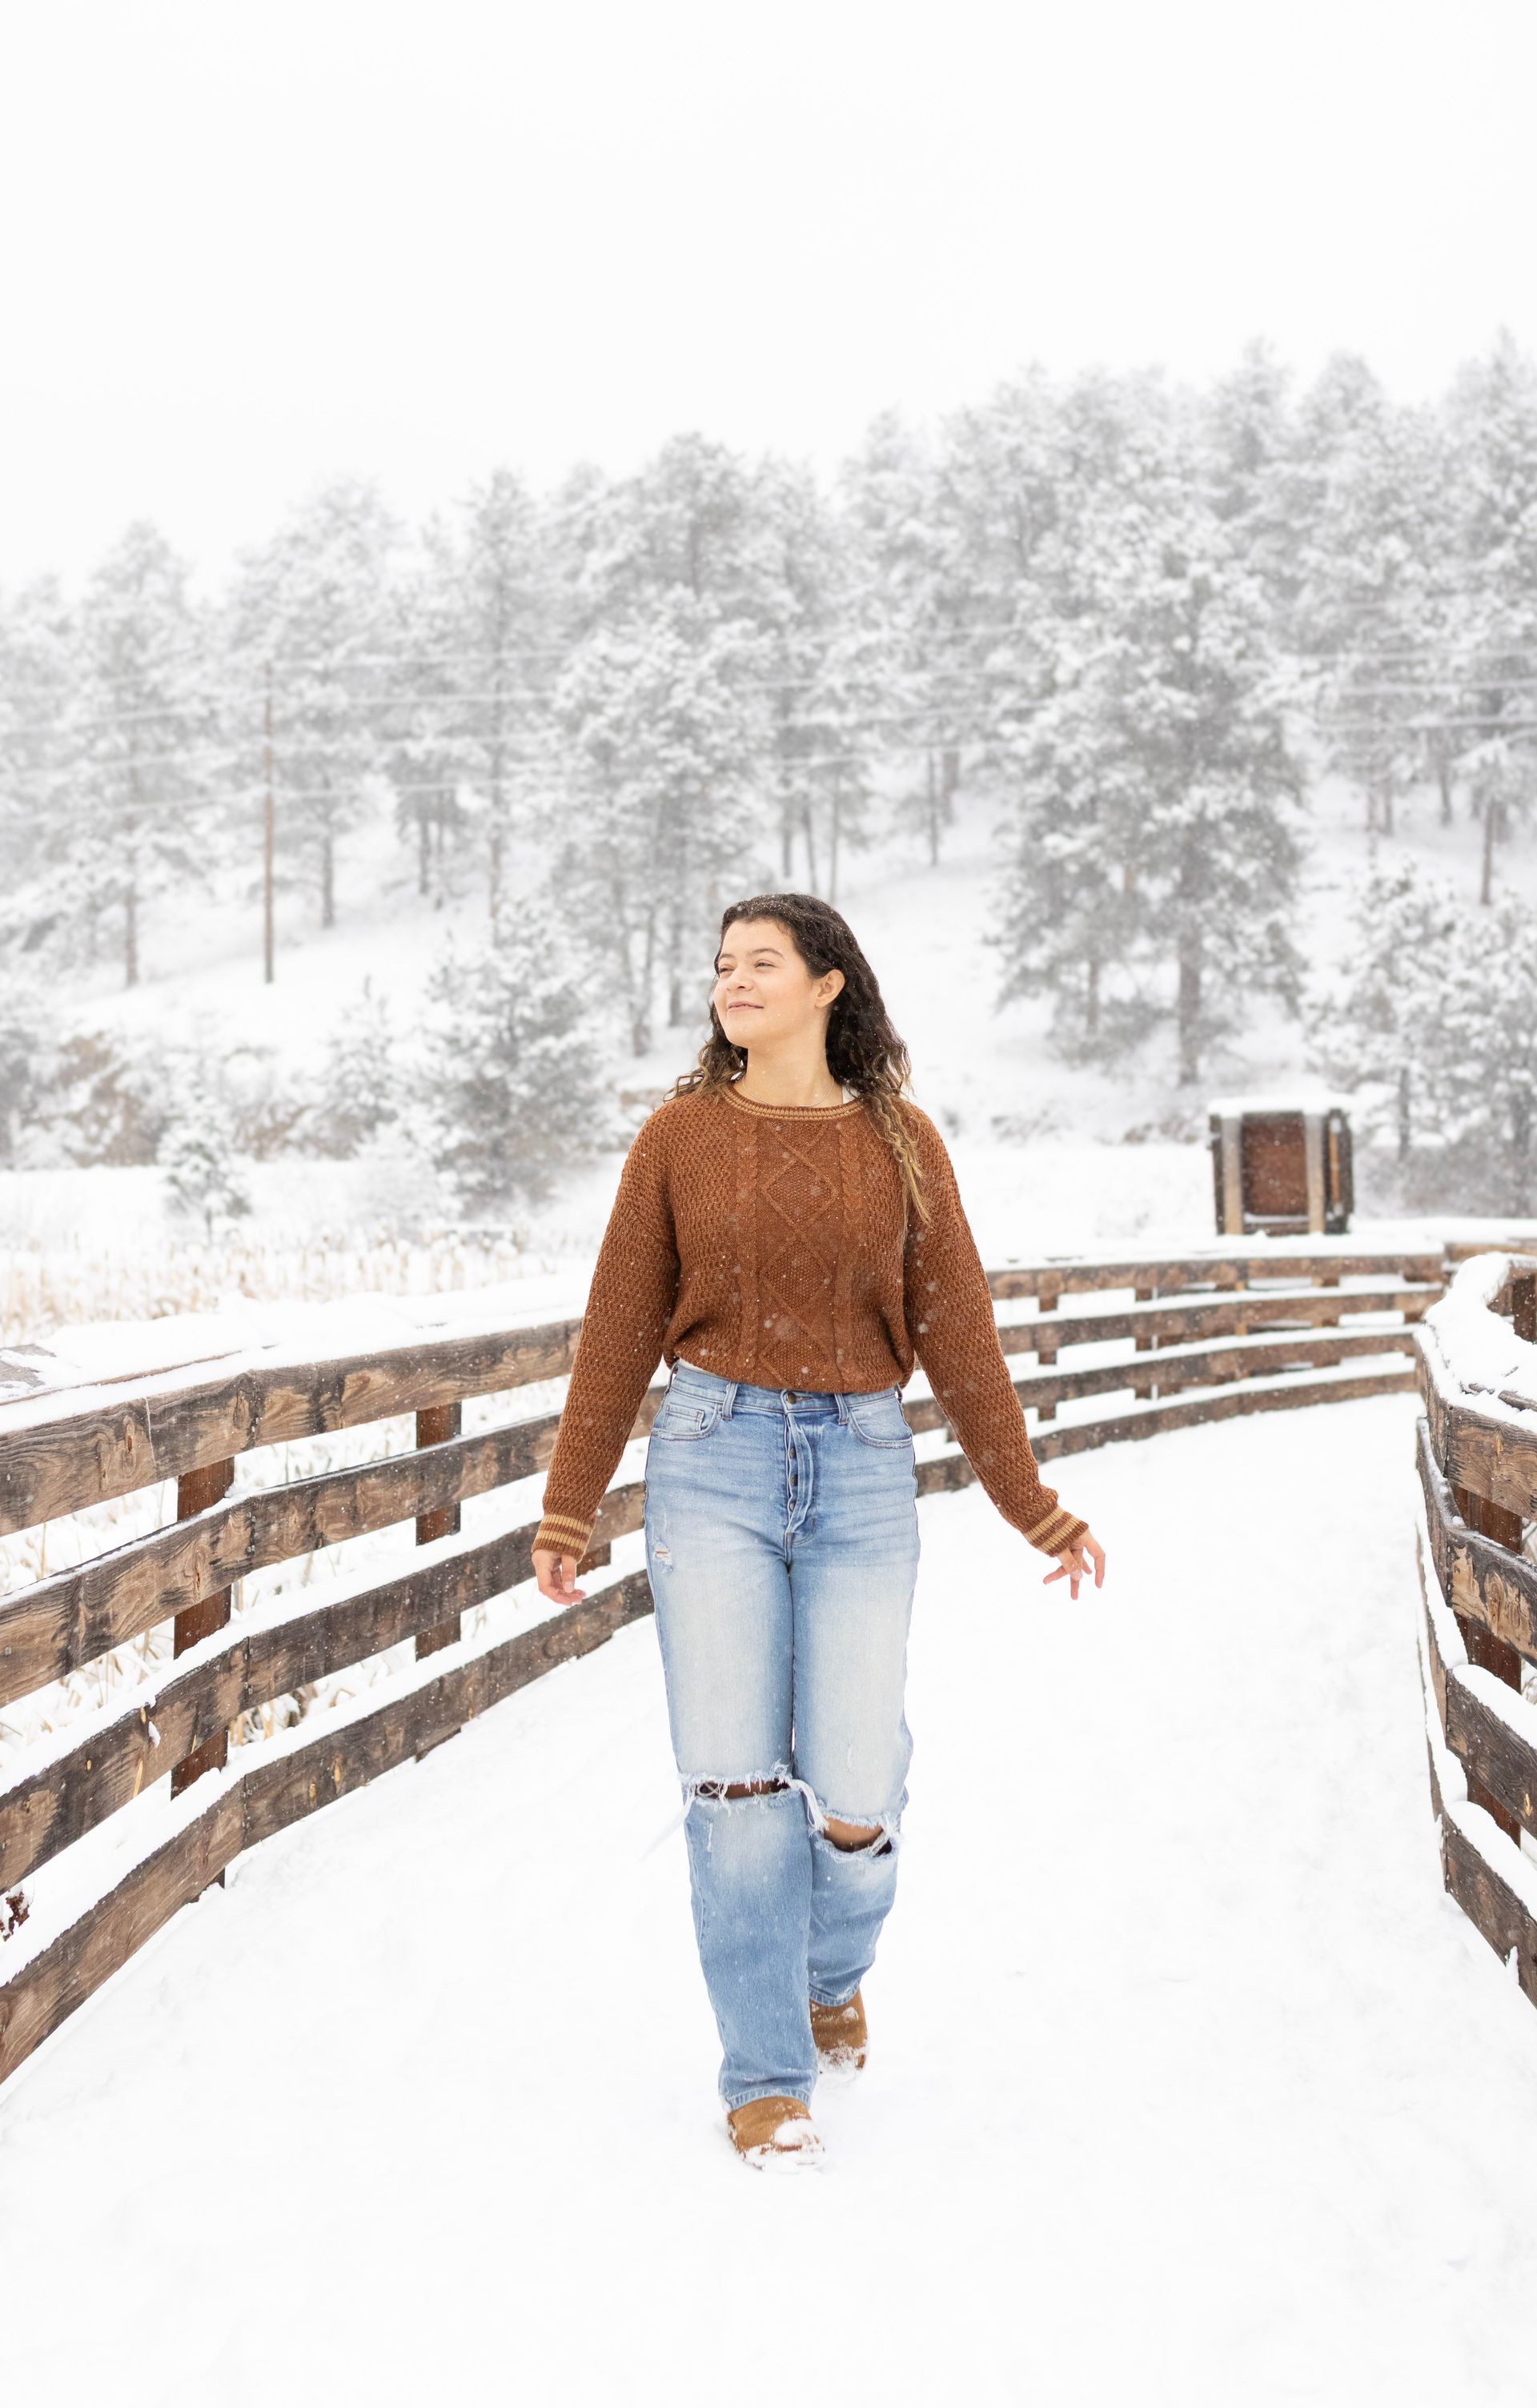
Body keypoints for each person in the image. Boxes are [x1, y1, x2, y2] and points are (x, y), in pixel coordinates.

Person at [532, 891, 1106, 2170]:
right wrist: (570, 1502)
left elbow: (958, 1332)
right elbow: (620, 1324)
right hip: (710, 1458)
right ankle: (764, 2072)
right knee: (735, 1784)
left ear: (829, 984)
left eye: (762, 963)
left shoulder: (901, 1142)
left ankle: (829, 1969)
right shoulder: (677, 1137)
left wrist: (1035, 1504)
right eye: (723, 964)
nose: (734, 981)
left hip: (857, 1464)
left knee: (855, 1786)